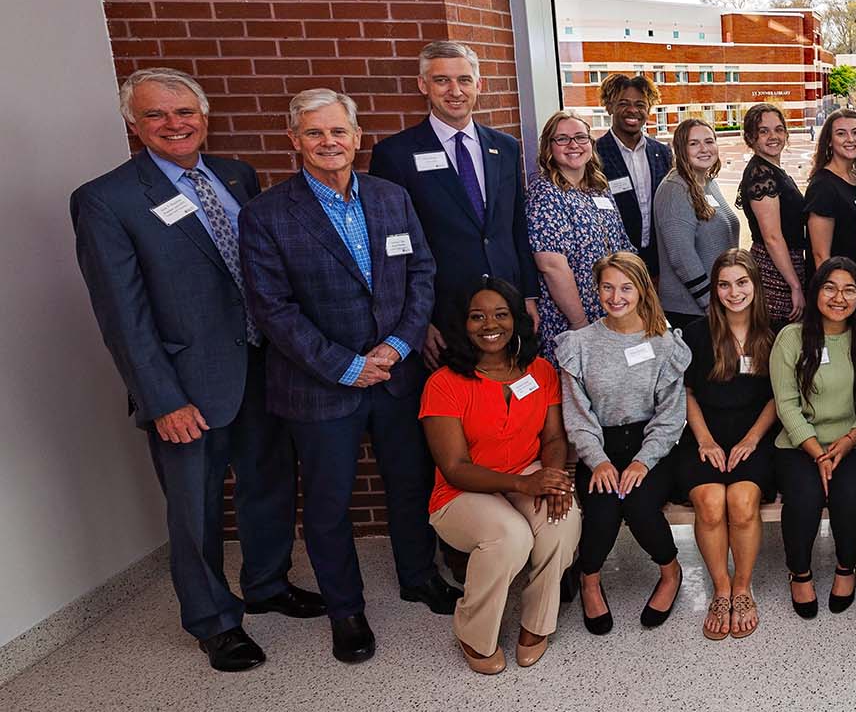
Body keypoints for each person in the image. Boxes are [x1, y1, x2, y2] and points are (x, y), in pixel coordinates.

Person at [72, 68, 321, 672]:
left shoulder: (235, 176)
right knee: (195, 506)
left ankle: (266, 583)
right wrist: (160, 399)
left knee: (268, 484)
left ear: (203, 117)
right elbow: (122, 314)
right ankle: (214, 621)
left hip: (262, 365)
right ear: (134, 124)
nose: (174, 124)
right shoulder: (107, 199)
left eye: (185, 112)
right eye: (156, 115)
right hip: (187, 384)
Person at [238, 89, 445, 663]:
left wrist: (400, 345)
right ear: (295, 141)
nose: (329, 143)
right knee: (330, 503)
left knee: (408, 482)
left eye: (338, 132)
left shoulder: (391, 198)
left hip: (396, 375)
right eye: (315, 133)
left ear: (358, 138)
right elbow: (272, 308)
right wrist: (347, 365)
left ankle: (417, 576)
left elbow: (421, 273)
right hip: (320, 386)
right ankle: (345, 610)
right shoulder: (267, 214)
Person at [419, 277, 582, 674]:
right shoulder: (444, 384)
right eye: (477, 316)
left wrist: (555, 476)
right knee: (511, 536)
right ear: (463, 323)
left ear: (516, 320)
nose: (489, 325)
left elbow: (555, 437)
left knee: (563, 521)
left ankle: (537, 623)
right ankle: (473, 631)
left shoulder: (540, 371)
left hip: (528, 472)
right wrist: (525, 484)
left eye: (500, 314)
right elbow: (455, 468)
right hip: (462, 491)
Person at [369, 40, 537, 366]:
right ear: (423, 85)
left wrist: (528, 295)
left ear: (478, 85)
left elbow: (517, 226)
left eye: (463, 80)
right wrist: (418, 321)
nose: (454, 91)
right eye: (441, 80)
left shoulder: (504, 147)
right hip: (443, 312)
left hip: (506, 305)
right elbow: (393, 248)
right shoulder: (395, 155)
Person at [556, 251, 689, 634]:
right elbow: (578, 415)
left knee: (640, 504)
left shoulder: (665, 343)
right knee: (601, 511)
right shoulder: (578, 345)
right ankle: (590, 580)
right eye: (607, 287)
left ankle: (670, 571)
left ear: (642, 290)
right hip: (600, 445)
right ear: (596, 289)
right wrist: (597, 460)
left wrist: (642, 462)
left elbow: (670, 415)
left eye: (626, 288)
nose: (616, 297)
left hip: (653, 446)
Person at [673, 249, 782, 640]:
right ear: (714, 289)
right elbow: (685, 393)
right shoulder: (696, 333)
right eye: (724, 284)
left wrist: (753, 439)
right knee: (710, 502)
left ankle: (743, 586)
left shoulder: (775, 332)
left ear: (755, 284)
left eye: (741, 282)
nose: (733, 292)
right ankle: (720, 588)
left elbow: (778, 397)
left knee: (740, 501)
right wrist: (703, 439)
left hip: (757, 435)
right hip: (704, 435)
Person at [769, 257, 856, 618]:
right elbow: (785, 404)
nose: (839, 297)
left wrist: (849, 441)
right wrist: (818, 453)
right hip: (801, 442)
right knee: (804, 497)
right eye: (830, 287)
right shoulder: (791, 338)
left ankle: (847, 567)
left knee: (849, 495)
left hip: (855, 441)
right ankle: (799, 571)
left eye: (849, 289)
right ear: (816, 290)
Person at [526, 110, 634, 360]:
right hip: (574, 320)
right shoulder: (545, 194)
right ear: (549, 148)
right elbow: (551, 266)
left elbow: (622, 247)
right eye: (562, 139)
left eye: (580, 137)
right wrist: (581, 323)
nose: (573, 145)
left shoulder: (599, 187)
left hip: (613, 309)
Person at [654, 119, 742, 326]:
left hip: (719, 302)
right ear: (680, 149)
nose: (704, 149)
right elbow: (681, 256)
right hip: (692, 311)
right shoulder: (675, 188)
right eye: (693, 143)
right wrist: (709, 303)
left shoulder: (708, 183)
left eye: (709, 141)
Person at [595, 73, 672, 278]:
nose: (632, 110)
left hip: (658, 262)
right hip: (614, 263)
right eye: (623, 103)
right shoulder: (594, 154)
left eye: (640, 104)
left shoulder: (662, 153)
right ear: (609, 107)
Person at [739, 103, 810, 321]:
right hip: (774, 272)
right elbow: (772, 237)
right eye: (764, 131)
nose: (773, 136)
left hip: (785, 265)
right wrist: (795, 285)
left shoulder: (773, 170)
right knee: (780, 336)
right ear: (751, 138)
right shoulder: (761, 174)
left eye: (779, 129)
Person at [804, 108, 856, 267]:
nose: (851, 139)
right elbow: (821, 256)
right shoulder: (823, 187)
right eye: (841, 134)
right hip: (836, 285)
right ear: (829, 140)